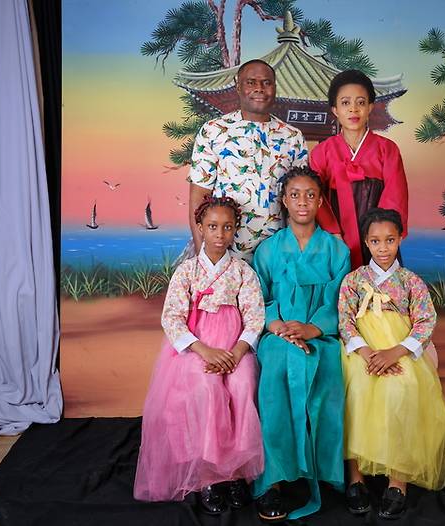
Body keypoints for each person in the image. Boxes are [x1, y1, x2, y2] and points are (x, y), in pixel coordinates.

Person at [134, 196, 265, 516]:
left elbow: (255, 317)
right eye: (212, 227)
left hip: (233, 348)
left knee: (243, 385)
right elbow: (172, 318)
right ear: (201, 228)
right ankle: (208, 474)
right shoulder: (187, 271)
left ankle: (235, 471)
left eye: (227, 227)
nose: (220, 234)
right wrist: (204, 350)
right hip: (199, 348)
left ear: (235, 230)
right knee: (206, 390)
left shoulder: (243, 271)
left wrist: (237, 352)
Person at [337, 208, 445, 520]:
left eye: (390, 240)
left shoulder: (410, 281)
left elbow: (426, 321)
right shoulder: (353, 280)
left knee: (402, 389)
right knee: (356, 389)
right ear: (366, 242)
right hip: (362, 350)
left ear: (400, 238)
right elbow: (345, 321)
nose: (383, 248)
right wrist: (367, 353)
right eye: (375, 241)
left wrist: (394, 353)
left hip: (398, 350)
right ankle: (356, 477)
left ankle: (398, 480)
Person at [251, 166, 350, 522]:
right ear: (284, 200)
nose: (303, 201)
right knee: (276, 372)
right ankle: (273, 481)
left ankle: (323, 471)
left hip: (320, 337)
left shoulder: (337, 250)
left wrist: (311, 329)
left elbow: (340, 301)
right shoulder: (267, 250)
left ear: (321, 201)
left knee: (329, 373)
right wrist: (278, 326)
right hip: (278, 337)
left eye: (310, 195)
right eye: (294, 195)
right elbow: (259, 297)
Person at [188, 59, 308, 262]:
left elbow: (300, 199)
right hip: (226, 252)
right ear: (238, 86)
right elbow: (199, 197)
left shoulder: (292, 137)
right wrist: (206, 260)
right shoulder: (213, 131)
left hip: (277, 254)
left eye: (266, 82)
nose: (259, 88)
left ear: (275, 87)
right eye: (251, 82)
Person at [310, 69, 409, 269]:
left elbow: (395, 195)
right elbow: (315, 196)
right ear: (335, 109)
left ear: (370, 107)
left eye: (361, 102)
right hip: (336, 239)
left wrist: (380, 237)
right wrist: (333, 233)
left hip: (378, 240)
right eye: (345, 103)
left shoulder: (387, 149)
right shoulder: (321, 152)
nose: (353, 109)